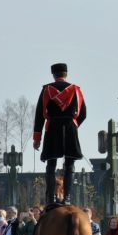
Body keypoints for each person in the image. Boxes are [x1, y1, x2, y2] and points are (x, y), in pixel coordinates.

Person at [33, 63, 86, 206]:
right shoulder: (75, 90)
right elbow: (83, 113)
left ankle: (50, 199)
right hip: (70, 128)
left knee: (51, 165)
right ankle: (67, 197)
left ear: (53, 75)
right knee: (70, 165)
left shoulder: (47, 90)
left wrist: (37, 139)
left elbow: (39, 116)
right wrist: (74, 124)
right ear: (66, 74)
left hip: (53, 129)